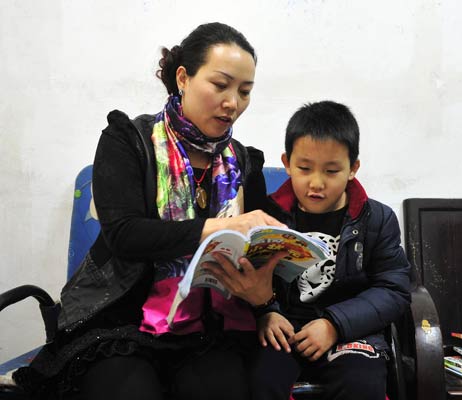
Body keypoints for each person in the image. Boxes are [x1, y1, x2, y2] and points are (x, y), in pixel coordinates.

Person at [15, 22, 284, 400]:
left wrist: (267, 297)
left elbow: (257, 250)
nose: (233, 102)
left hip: (210, 327)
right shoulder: (129, 140)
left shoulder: (242, 162)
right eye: (220, 85)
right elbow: (125, 235)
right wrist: (214, 227)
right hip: (123, 322)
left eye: (245, 91)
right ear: (183, 78)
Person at [205, 100, 412, 400]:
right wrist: (266, 311)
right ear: (287, 162)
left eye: (331, 171)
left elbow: (394, 290)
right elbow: (249, 278)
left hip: (351, 333)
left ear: (353, 169)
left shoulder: (376, 219)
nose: (316, 183)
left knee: (362, 386)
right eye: (304, 168)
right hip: (283, 329)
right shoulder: (266, 216)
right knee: (260, 381)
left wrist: (334, 324)